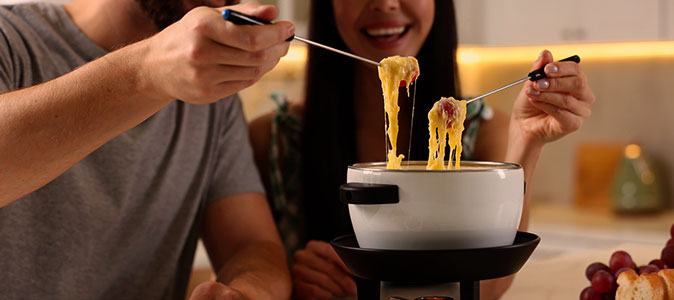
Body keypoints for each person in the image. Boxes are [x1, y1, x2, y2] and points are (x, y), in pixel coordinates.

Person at [248, 0, 596, 299]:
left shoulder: (486, 132)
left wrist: (527, 138)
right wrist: (290, 282)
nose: (385, 3)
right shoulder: (270, 139)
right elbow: (247, 264)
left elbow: (488, 288)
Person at [0, 0, 296, 299]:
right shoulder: (9, 38)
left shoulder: (216, 96)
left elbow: (251, 245)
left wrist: (246, 291)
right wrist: (146, 72)